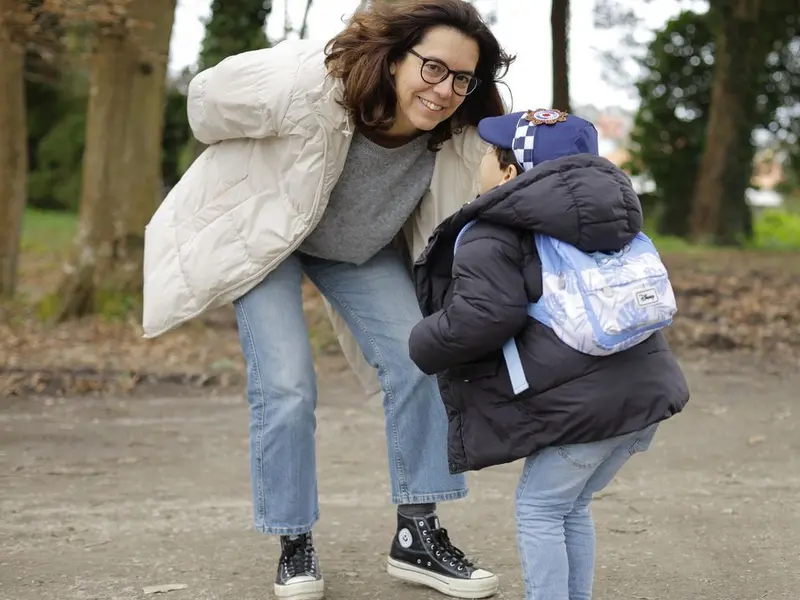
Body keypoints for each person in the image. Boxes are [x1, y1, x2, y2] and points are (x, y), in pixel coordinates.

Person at [141, 1, 515, 599]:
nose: (446, 90)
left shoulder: (454, 132)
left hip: (358, 250)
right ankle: (294, 543)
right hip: (271, 238)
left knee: (421, 360)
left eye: (462, 78)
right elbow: (204, 104)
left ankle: (418, 536)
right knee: (287, 385)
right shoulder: (315, 85)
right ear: (395, 58)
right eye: (433, 68)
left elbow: (518, 164)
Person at [408, 109, 690, 600]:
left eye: (488, 156)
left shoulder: (494, 230)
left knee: (539, 510)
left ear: (511, 173)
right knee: (569, 509)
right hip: (643, 397)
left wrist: (422, 340)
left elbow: (485, 317)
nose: (479, 165)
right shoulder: (607, 223)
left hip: (582, 410)